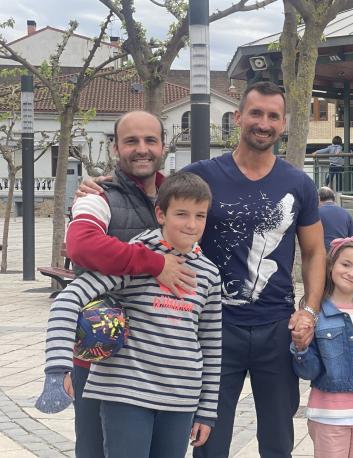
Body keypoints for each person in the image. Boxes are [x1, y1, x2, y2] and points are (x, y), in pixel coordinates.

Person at [183, 81, 327, 458]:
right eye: (256, 113)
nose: (264, 123)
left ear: (283, 125)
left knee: (279, 441)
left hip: (277, 329)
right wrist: (99, 187)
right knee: (208, 440)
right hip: (215, 328)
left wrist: (309, 310)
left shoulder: (298, 183)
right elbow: (160, 212)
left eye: (273, 116)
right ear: (238, 118)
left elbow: (314, 253)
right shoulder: (201, 176)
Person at [37, 172, 223, 458]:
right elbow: (69, 298)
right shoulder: (134, 256)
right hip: (125, 396)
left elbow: (210, 346)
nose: (191, 224)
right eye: (182, 214)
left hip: (180, 400)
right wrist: (57, 369)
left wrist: (207, 412)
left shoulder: (209, 273)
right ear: (160, 214)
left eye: (200, 216)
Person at [67, 110, 196, 458]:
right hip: (104, 360)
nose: (142, 149)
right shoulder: (99, 196)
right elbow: (81, 245)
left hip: (164, 359)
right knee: (96, 451)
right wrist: (154, 263)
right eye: (131, 141)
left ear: (164, 146)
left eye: (150, 140)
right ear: (115, 148)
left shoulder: (178, 199)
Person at [291, 236, 353, 458]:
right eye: (346, 264)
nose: (352, 273)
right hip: (329, 414)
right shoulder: (315, 314)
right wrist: (300, 347)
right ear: (331, 264)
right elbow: (308, 371)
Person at [318, 186, 353, 251]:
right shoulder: (346, 213)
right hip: (340, 253)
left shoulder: (316, 214)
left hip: (322, 254)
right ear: (334, 199)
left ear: (318, 198)